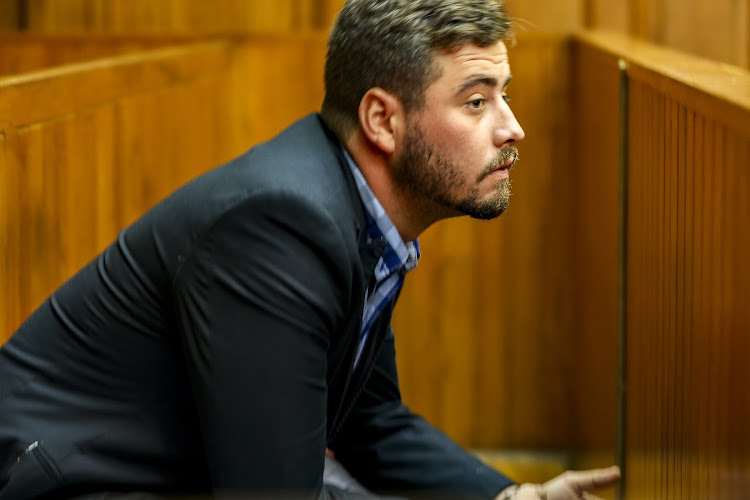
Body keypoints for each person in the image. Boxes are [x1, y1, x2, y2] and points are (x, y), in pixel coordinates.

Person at [0, 0, 620, 498]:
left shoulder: (360, 213)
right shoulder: (281, 223)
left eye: (503, 95)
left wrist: (508, 497)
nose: (512, 127)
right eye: (477, 100)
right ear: (382, 120)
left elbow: (367, 421)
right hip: (65, 477)